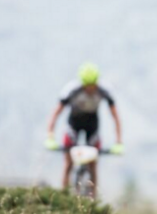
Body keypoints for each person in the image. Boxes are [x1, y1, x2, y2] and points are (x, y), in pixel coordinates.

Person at [46, 62, 124, 197]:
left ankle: (93, 198)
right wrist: (50, 136)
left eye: (92, 85)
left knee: (93, 163)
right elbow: (56, 113)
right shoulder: (72, 89)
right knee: (68, 161)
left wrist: (118, 141)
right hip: (74, 124)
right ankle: (63, 196)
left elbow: (115, 116)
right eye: (86, 86)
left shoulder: (104, 90)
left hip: (92, 125)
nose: (89, 89)